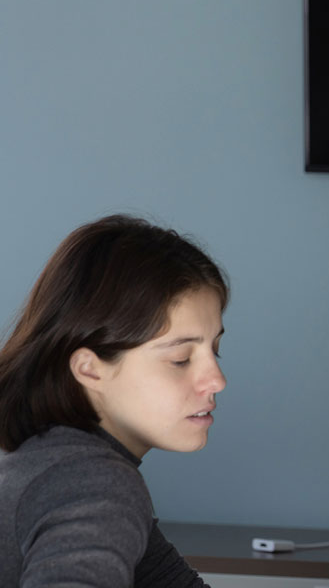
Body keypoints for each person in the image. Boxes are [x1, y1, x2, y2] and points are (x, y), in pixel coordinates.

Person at [0, 215, 228, 587]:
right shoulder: (93, 482)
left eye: (215, 349)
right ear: (90, 369)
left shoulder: (49, 458)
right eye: (181, 359)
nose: (217, 380)